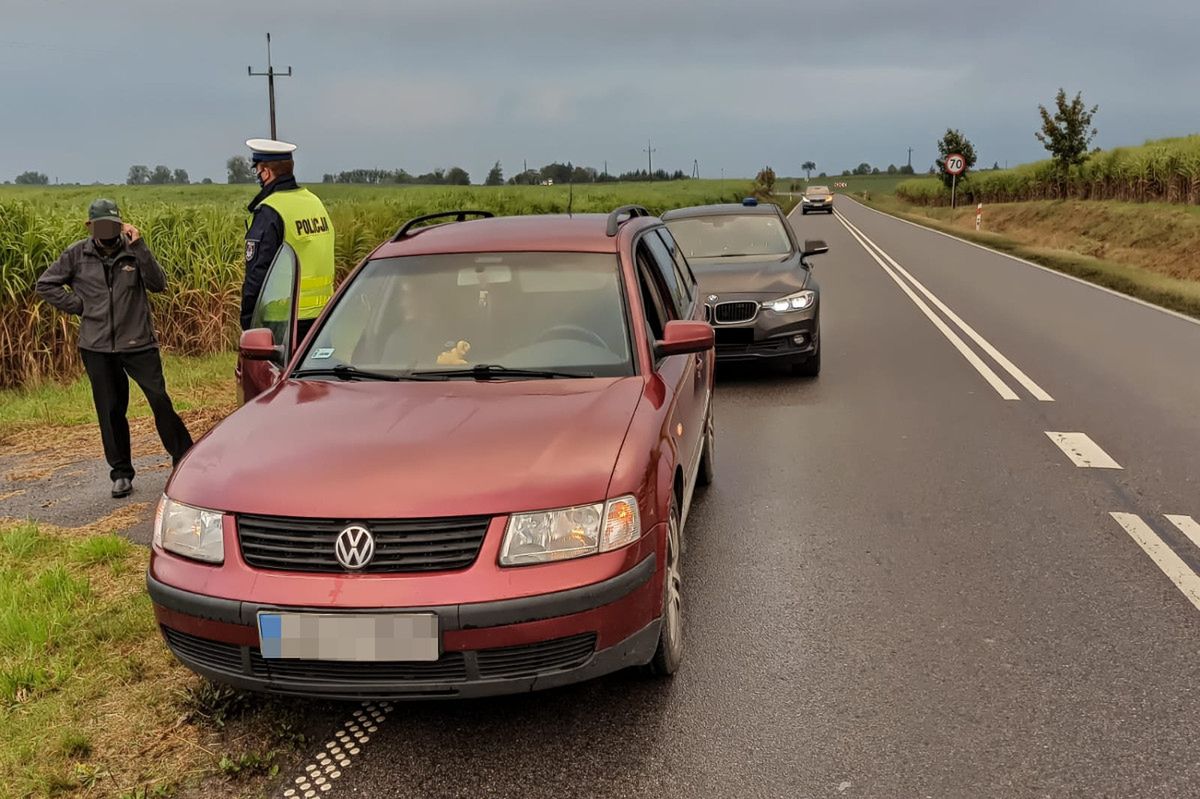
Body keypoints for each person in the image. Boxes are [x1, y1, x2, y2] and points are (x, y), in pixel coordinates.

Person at [35, 199, 194, 498]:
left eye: (114, 224)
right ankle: (121, 473)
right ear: (90, 226)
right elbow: (46, 284)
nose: (108, 230)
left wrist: (140, 247)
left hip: (138, 342)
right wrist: (78, 306)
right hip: (96, 346)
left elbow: (158, 284)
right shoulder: (77, 255)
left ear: (121, 225)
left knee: (159, 399)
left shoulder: (133, 252)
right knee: (110, 410)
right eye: (102, 224)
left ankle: (184, 458)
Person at [242, 138, 336, 344]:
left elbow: (257, 273)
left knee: (277, 376)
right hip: (323, 316)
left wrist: (249, 324)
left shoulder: (271, 211)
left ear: (265, 172)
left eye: (258, 170)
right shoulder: (314, 202)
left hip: (282, 319)